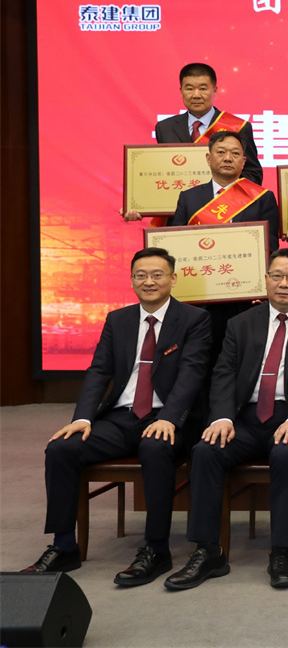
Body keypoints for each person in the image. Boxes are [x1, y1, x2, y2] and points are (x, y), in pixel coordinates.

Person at [22, 248, 211, 586]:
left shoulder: (194, 319)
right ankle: (64, 545)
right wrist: (83, 418)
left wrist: (169, 418)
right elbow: (99, 371)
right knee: (62, 448)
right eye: (141, 275)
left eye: (157, 275)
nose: (149, 281)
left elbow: (192, 374)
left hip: (168, 419)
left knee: (155, 447)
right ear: (132, 280)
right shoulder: (118, 319)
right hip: (121, 417)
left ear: (173, 278)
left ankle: (156, 549)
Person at [165, 248, 288, 590]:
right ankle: (207, 551)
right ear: (266, 280)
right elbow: (224, 374)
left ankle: (281, 552)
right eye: (277, 276)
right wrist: (221, 417)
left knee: (287, 454)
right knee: (205, 451)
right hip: (244, 419)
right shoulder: (240, 323)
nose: (283, 284)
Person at [168, 130, 281, 253]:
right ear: (208, 159)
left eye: (235, 153)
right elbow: (177, 242)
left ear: (243, 162)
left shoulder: (262, 198)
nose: (228, 158)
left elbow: (270, 246)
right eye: (221, 152)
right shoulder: (188, 198)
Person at [154, 62, 262, 185]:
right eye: (189, 89)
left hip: (222, 197)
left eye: (203, 89)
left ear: (214, 91)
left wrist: (222, 193)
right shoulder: (165, 128)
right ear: (181, 91)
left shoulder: (237, 127)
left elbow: (253, 174)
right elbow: (161, 170)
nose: (196, 95)